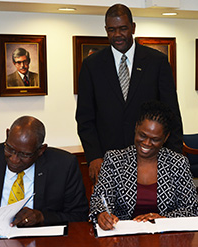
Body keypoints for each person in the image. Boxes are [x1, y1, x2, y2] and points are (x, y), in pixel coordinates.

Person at [75, 4, 183, 184]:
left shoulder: (157, 62)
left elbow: (171, 114)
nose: (117, 34)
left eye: (123, 28)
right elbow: (85, 118)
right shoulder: (91, 66)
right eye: (112, 30)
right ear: (106, 30)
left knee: (151, 210)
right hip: (108, 161)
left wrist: (175, 157)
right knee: (112, 212)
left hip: (152, 157)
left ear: (133, 27)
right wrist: (93, 156)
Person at [0, 116, 89, 230]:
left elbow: (79, 215)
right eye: (10, 149)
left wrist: (42, 217)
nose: (14, 159)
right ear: (7, 135)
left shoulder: (63, 165)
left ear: (41, 150)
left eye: (24, 155)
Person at [89, 101, 198, 230]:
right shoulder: (114, 160)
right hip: (123, 235)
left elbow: (193, 208)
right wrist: (102, 214)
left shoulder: (177, 162)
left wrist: (164, 220)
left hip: (165, 237)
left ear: (165, 138)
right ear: (136, 127)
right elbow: (99, 199)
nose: (147, 143)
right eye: (143, 135)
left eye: (155, 139)